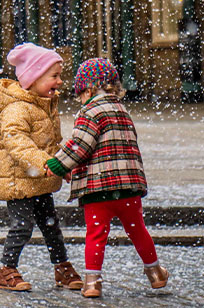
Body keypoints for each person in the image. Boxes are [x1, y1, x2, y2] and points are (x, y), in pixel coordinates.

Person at [45, 57, 169, 298]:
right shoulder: (122, 110)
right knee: (138, 230)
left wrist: (57, 164)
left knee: (95, 233)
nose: (80, 98)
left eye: (80, 93)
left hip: (98, 189)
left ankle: (92, 282)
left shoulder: (90, 112)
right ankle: (155, 273)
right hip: (128, 188)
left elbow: (80, 145)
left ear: (89, 89)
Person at [0, 42, 82, 292]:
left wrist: (62, 165)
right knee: (22, 226)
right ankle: (5, 269)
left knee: (51, 225)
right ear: (33, 79)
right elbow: (18, 144)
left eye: (60, 75)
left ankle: (62, 267)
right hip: (19, 180)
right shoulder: (16, 109)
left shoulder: (44, 105)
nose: (60, 81)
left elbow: (50, 143)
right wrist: (47, 164)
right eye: (54, 76)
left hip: (40, 179)